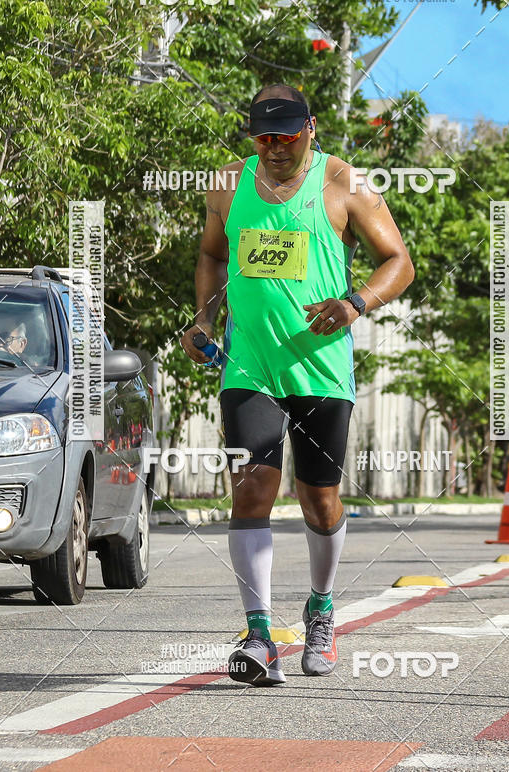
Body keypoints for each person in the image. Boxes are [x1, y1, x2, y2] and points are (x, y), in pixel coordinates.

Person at [181, 83, 414, 686]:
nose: (275, 148)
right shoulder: (228, 184)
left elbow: (399, 261)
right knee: (252, 489)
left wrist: (356, 302)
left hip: (320, 370)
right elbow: (211, 254)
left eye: (286, 137)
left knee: (321, 501)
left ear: (311, 127)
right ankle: (258, 635)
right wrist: (204, 315)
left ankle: (321, 608)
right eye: (264, 138)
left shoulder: (345, 184)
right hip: (249, 366)